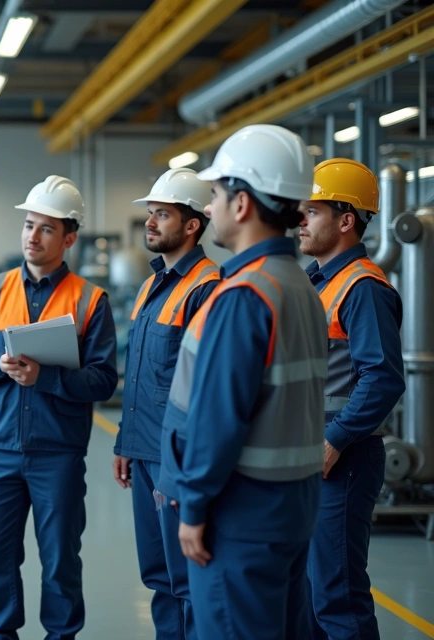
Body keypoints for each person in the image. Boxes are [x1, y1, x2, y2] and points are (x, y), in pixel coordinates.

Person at [158, 124, 326, 639]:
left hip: (239, 518)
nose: (208, 208)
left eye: (215, 194)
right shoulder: (299, 286)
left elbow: (218, 418)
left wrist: (193, 505)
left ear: (243, 203)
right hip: (290, 508)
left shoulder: (244, 296)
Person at [0, 175, 118, 640]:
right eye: (28, 225)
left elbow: (104, 380)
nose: (32, 236)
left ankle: (60, 635)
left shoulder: (91, 301)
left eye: (46, 228)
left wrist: (45, 378)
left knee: (60, 557)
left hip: (58, 452)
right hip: (1, 450)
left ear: (69, 238)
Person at [299, 159, 405, 640]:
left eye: (312, 211)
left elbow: (382, 378)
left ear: (346, 220)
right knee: (306, 597)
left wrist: (333, 441)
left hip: (340, 459)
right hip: (306, 456)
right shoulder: (315, 283)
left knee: (336, 597)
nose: (301, 220)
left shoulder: (363, 287)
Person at [113, 168, 218, 639]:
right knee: (159, 577)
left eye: (162, 214)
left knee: (190, 581)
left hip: (178, 458)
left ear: (192, 225)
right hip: (145, 451)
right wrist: (124, 440)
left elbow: (205, 389)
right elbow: (140, 374)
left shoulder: (206, 288)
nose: (150, 223)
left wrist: (188, 466)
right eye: (151, 213)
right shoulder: (152, 285)